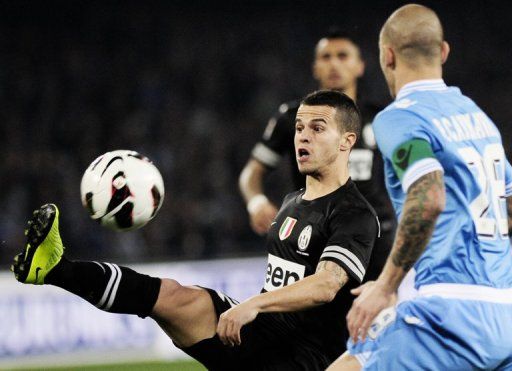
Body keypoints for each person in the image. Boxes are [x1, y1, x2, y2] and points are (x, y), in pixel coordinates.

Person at [12, 91, 381, 370]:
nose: (303, 137)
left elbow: (326, 285)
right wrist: (255, 309)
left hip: (308, 357)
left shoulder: (354, 213)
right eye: (300, 128)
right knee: (172, 297)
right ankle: (52, 268)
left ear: (347, 141)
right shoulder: (291, 200)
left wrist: (254, 304)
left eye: (318, 129)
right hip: (261, 333)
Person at [329, 4, 512, 370]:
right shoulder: (479, 118)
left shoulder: (400, 117)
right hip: (505, 314)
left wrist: (386, 286)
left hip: (449, 318)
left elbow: (428, 197)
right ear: (443, 51)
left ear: (387, 56)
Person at [239, 32, 395, 277]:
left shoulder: (381, 118)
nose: (334, 63)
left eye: (342, 56)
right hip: (313, 235)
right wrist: (256, 202)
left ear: (360, 66)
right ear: (315, 67)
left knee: (371, 313)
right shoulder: (292, 118)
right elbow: (252, 172)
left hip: (375, 238)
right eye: (326, 57)